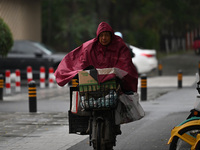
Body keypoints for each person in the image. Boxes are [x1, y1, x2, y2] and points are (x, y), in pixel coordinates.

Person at [55, 22, 138, 92]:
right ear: (98, 36)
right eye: (101, 35)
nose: (104, 38)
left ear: (111, 36)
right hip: (93, 86)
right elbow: (76, 60)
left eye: (106, 35)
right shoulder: (89, 47)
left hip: (114, 85)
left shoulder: (120, 46)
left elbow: (126, 66)